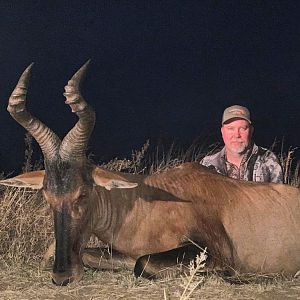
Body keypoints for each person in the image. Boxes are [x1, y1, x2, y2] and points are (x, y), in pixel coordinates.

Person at [201, 105, 283, 183]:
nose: (237, 135)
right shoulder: (207, 165)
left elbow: (277, 196)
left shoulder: (268, 159)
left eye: (243, 128)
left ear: (251, 131)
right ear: (222, 132)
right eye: (230, 129)